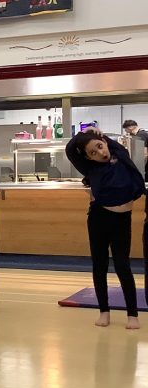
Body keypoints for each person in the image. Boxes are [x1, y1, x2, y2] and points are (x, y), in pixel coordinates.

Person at [65, 130, 145, 329]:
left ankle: (132, 314)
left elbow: (108, 145)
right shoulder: (90, 168)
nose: (100, 153)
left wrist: (98, 135)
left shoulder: (120, 155)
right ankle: (104, 311)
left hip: (121, 220)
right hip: (99, 218)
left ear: (105, 142)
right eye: (93, 153)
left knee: (122, 265)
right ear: (88, 158)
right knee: (99, 265)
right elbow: (70, 150)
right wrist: (81, 135)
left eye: (100, 147)